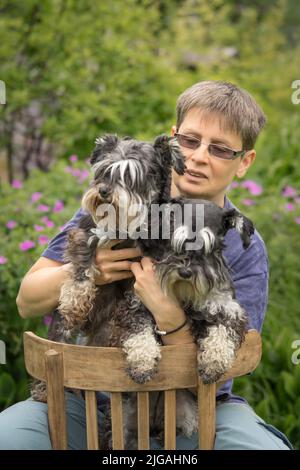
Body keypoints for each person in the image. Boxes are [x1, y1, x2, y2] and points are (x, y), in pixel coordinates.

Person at [0, 80, 293, 450]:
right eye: (190, 140)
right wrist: (92, 269)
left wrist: (169, 316)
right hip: (88, 394)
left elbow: (230, 360)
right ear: (172, 142)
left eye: (220, 149)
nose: (199, 157)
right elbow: (27, 301)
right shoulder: (116, 206)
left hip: (196, 404)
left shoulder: (242, 243)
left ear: (244, 162)